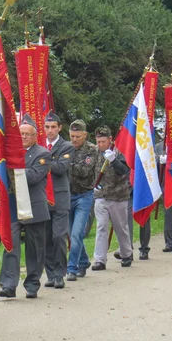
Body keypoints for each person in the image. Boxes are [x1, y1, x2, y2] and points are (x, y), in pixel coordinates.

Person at [0, 114, 51, 299]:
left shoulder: (42, 154)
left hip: (33, 207)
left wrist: (12, 166)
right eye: (20, 134)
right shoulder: (10, 153)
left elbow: (34, 176)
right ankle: (8, 284)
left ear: (35, 136)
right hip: (13, 205)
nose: (23, 137)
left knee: (35, 248)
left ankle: (32, 284)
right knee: (10, 244)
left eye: (27, 134)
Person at [91, 126, 133, 270]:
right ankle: (99, 260)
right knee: (101, 226)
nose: (101, 144)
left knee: (120, 227)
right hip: (100, 196)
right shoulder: (94, 152)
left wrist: (114, 160)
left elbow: (124, 171)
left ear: (110, 139)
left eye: (103, 141)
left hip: (118, 196)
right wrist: (92, 185)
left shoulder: (119, 152)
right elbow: (89, 170)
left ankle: (126, 253)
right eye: (98, 141)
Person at [43, 111, 74, 289]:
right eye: (47, 127)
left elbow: (61, 168)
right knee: (46, 237)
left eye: (53, 127)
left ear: (59, 128)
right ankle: (50, 273)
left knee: (59, 236)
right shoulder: (40, 145)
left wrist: (41, 161)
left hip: (60, 197)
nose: (50, 131)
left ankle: (60, 273)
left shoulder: (66, 146)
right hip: (43, 198)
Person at [66, 120, 97, 280]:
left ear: (84, 135)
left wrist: (67, 163)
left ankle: (72, 268)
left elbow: (84, 171)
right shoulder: (66, 148)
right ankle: (84, 261)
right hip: (68, 195)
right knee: (72, 234)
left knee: (77, 233)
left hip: (84, 196)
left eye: (78, 136)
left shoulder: (91, 150)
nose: (74, 139)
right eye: (72, 136)